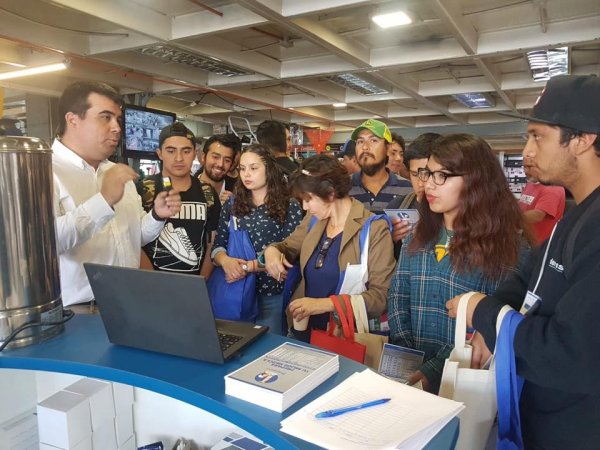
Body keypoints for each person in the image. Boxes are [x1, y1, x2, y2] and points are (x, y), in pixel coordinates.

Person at [447, 74, 600, 449]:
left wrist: (482, 311)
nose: (527, 150)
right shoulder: (578, 214)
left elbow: (571, 354)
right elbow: (528, 275)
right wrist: (494, 317)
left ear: (582, 140)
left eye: (538, 136)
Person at [388, 133, 530, 393]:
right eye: (426, 174)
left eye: (441, 176)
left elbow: (488, 322)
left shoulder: (506, 249)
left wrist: (433, 370)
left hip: (463, 382)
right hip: (408, 375)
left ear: (476, 180)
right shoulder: (416, 237)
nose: (428, 185)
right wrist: (405, 355)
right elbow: (398, 295)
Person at [52, 81, 181, 308]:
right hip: (80, 313)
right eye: (105, 117)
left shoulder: (115, 172)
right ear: (72, 120)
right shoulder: (44, 171)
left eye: (118, 120)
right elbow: (48, 244)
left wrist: (157, 216)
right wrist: (103, 201)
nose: (117, 128)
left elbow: (134, 237)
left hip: (129, 302)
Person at [263, 155, 395, 341]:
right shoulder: (314, 219)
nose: (305, 207)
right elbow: (288, 246)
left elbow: (381, 296)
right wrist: (271, 251)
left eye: (308, 199)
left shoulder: (374, 228)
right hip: (303, 328)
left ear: (331, 193)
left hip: (345, 336)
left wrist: (324, 305)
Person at [211, 144, 303, 334]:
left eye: (254, 168)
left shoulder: (289, 205)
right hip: (236, 292)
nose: (247, 174)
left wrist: (248, 267)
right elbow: (218, 246)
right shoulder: (232, 204)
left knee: (269, 350)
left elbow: (291, 252)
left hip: (272, 293)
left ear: (269, 169)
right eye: (242, 169)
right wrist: (225, 261)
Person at [139, 122, 221, 276]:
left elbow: (212, 243)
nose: (179, 158)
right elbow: (131, 240)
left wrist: (199, 283)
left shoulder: (207, 192)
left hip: (193, 284)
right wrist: (151, 282)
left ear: (194, 153)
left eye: (186, 151)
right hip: (148, 283)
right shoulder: (143, 189)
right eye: (171, 151)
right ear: (160, 153)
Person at [348, 119, 413, 216]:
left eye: (373, 140)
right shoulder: (343, 187)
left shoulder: (407, 189)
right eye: (360, 141)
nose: (365, 147)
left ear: (387, 149)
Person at [387, 133, 441, 242]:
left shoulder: (454, 211)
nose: (421, 183)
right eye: (415, 174)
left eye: (426, 174)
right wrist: (389, 239)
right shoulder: (397, 206)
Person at [518, 157, 565, 245]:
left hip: (539, 245)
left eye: (529, 167)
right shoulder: (530, 184)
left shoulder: (552, 188)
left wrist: (508, 219)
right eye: (524, 167)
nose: (526, 171)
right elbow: (523, 205)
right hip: (525, 239)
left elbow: (538, 215)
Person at [197, 134, 240, 205]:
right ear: (203, 157)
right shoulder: (188, 188)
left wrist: (236, 206)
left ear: (232, 164)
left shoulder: (237, 192)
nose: (220, 164)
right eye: (215, 157)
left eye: (227, 160)